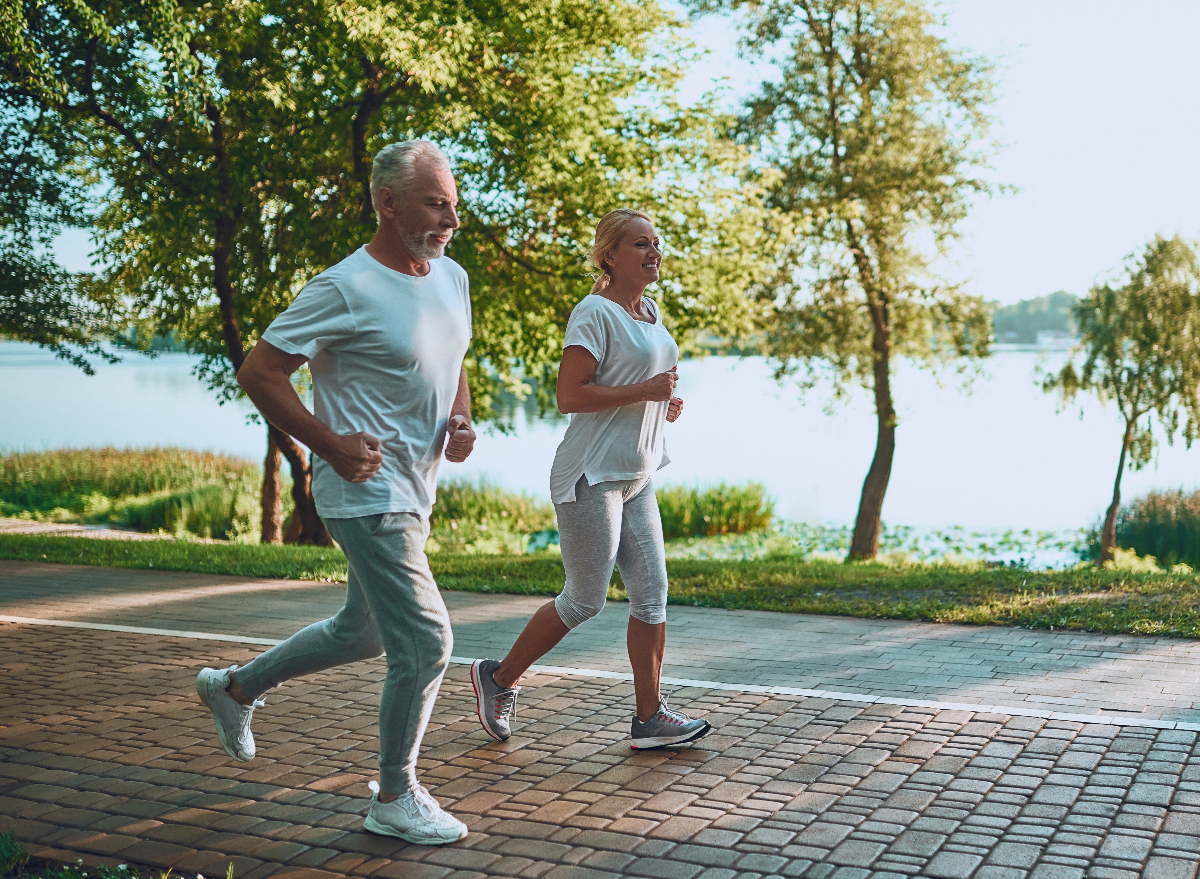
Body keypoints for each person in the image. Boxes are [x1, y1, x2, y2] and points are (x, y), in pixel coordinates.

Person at [194, 140, 476, 846]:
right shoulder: (344, 286)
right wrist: (329, 444)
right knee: (427, 638)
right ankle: (393, 791)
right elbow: (261, 371)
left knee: (366, 630)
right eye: (437, 203)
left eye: (453, 202)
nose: (452, 218)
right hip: (363, 489)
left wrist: (462, 419)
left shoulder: (451, 276)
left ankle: (234, 688)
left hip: (416, 486)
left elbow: (455, 354)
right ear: (389, 203)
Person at [469, 208, 712, 750]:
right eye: (640, 244)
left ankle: (649, 718)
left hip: (637, 474)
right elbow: (569, 396)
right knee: (584, 600)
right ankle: (498, 677)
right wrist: (642, 393)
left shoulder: (649, 311)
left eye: (657, 243)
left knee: (652, 598)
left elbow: (640, 384)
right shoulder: (593, 313)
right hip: (590, 475)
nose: (654, 252)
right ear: (610, 254)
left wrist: (663, 403)